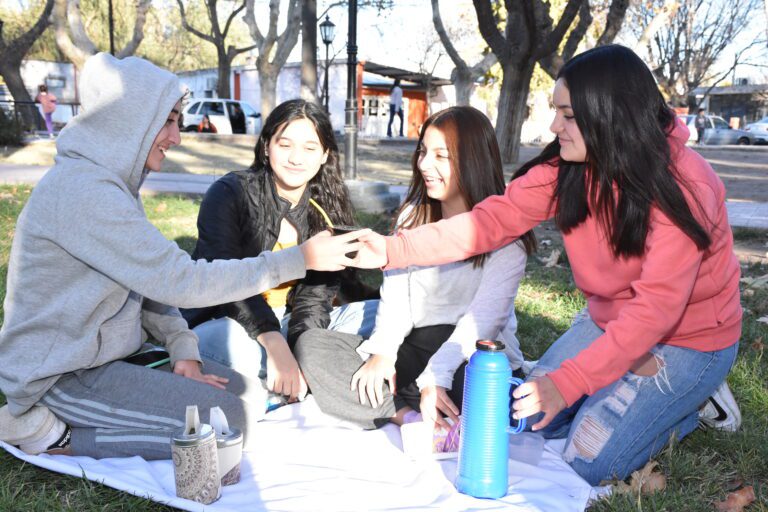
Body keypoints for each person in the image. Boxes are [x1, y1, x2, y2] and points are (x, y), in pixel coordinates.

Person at [352, 45, 742, 485]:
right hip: (609, 321)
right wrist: (393, 249)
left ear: (611, 115)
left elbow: (656, 311)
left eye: (567, 115)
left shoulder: (686, 186)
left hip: (688, 338)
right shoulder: (569, 167)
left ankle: (692, 399)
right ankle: (627, 386)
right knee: (527, 421)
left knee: (587, 461)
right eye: (557, 112)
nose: (555, 126)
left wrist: (567, 383)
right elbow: (487, 223)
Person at [0, 53, 366, 460]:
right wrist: (299, 259)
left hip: (114, 359)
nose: (176, 137)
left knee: (250, 398)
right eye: (169, 121)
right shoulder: (85, 192)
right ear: (132, 119)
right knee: (233, 427)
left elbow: (148, 287)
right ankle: (51, 433)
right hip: (61, 375)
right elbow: (181, 281)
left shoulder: (113, 189)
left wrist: (183, 350)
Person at [295, 106, 534, 449]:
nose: (424, 164)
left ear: (474, 161)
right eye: (422, 151)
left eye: (440, 156)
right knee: (313, 347)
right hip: (414, 349)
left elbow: (484, 321)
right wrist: (383, 352)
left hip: (470, 354)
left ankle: (429, 407)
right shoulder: (413, 216)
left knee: (488, 397)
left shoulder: (507, 236)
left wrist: (438, 376)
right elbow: (396, 298)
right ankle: (407, 416)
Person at [182, 99, 378, 404]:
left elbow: (315, 301)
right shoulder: (229, 193)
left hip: (292, 324)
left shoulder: (328, 209)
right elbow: (225, 282)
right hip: (233, 322)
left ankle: (286, 382)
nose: (296, 158)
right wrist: (274, 344)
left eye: (310, 148)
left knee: (376, 313)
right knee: (214, 341)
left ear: (325, 155)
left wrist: (302, 353)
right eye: (285, 144)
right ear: (266, 146)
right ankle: (311, 382)